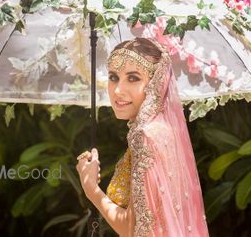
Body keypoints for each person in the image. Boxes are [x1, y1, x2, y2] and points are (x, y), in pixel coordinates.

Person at [76, 37, 210, 236]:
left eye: (133, 78)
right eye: (113, 77)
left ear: (157, 83)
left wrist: (91, 189)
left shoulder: (145, 136)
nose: (118, 90)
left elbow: (134, 228)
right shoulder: (164, 132)